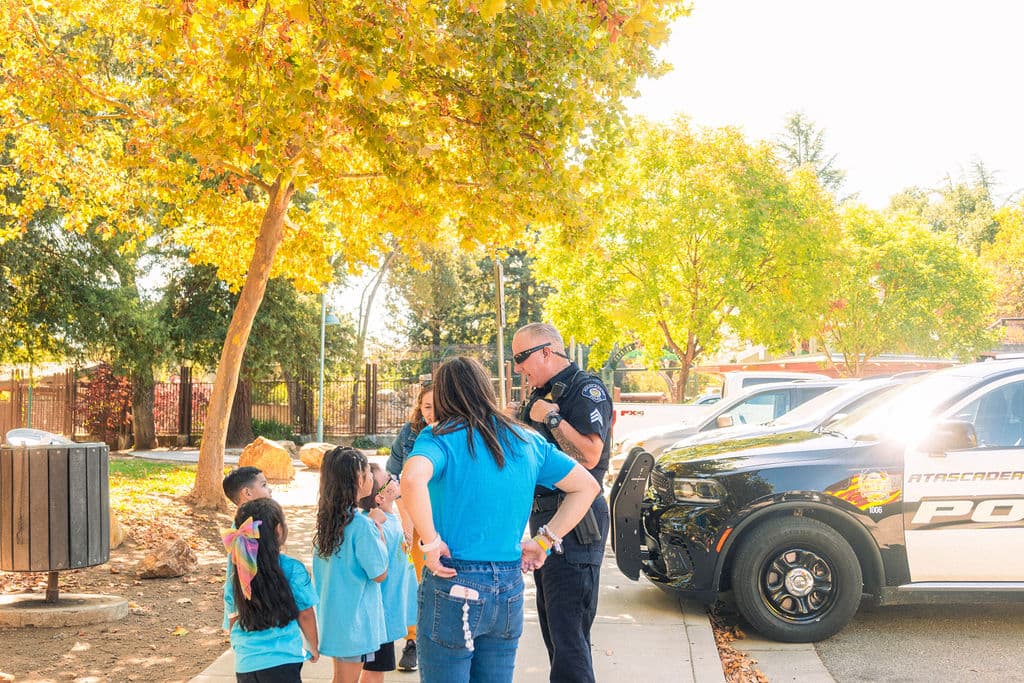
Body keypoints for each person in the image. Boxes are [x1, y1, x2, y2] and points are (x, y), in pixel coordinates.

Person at [401, 356, 600, 683]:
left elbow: (410, 481)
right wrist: (544, 542)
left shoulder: (438, 436)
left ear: (444, 395)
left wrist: (431, 542)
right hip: (507, 584)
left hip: (454, 579)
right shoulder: (528, 439)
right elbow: (586, 486)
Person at [511, 322, 614, 683]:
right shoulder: (542, 394)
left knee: (569, 640)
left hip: (575, 523)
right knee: (557, 635)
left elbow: (588, 456)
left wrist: (551, 417)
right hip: (547, 520)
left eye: (521, 358)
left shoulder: (584, 390)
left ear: (546, 351)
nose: (518, 367)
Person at [312, 447, 389, 683]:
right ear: (359, 478)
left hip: (334, 617)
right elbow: (380, 573)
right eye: (368, 472)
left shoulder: (328, 522)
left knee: (340, 678)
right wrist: (379, 531)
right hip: (355, 622)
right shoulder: (362, 526)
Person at [222, 497, 319, 683]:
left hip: (246, 665)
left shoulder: (236, 577)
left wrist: (243, 650)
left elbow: (233, 619)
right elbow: (305, 613)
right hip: (284, 661)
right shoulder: (292, 569)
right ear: (279, 530)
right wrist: (313, 646)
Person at [385, 382, 435, 672]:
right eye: (427, 406)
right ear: (419, 406)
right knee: (414, 580)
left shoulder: (457, 432)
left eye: (437, 407)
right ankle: (413, 641)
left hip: (441, 516)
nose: (431, 413)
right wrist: (402, 511)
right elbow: (392, 474)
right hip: (411, 517)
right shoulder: (409, 433)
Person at [357, 464, 418, 683]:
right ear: (380, 499)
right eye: (388, 480)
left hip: (390, 613)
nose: (394, 480)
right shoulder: (375, 525)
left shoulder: (391, 519)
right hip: (380, 616)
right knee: (373, 674)